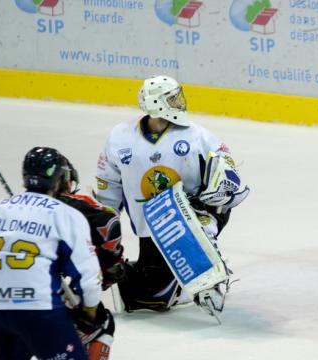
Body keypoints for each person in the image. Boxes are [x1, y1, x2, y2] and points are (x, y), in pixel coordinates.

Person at [95, 75, 249, 313]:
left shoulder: (197, 135)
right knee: (150, 299)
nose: (180, 103)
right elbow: (108, 182)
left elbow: (225, 165)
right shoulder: (120, 136)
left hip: (194, 216)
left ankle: (207, 274)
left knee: (200, 231)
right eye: (172, 99)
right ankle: (151, 279)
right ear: (157, 104)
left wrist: (223, 184)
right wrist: (103, 223)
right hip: (151, 225)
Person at [0, 150, 123, 360]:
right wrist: (90, 311)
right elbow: (89, 275)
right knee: (102, 324)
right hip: (39, 307)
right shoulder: (67, 214)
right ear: (61, 179)